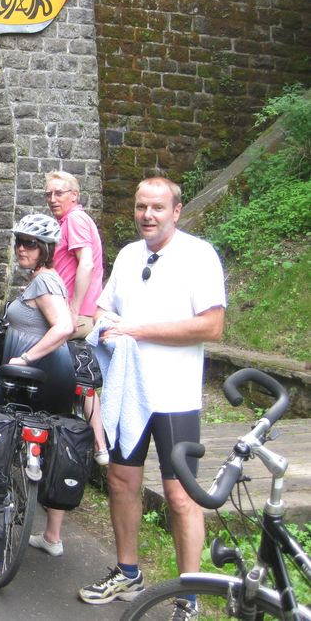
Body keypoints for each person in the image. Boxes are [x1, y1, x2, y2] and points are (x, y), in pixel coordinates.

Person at [78, 177, 225, 620]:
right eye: (142, 206)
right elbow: (102, 310)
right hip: (128, 393)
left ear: (176, 211)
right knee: (122, 481)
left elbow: (211, 326)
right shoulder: (127, 255)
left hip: (175, 398)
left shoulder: (199, 255)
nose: (148, 215)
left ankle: (189, 596)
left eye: (158, 208)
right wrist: (108, 325)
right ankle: (128, 571)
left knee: (181, 496)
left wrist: (137, 329)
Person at [0, 213, 76, 557]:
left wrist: (26, 357)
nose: (22, 248)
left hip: (34, 378)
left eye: (30, 244)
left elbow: (65, 326)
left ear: (46, 249)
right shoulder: (45, 279)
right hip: (54, 378)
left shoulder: (45, 282)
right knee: (52, 450)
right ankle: (52, 536)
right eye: (19, 241)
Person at [43, 170, 109, 466]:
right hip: (78, 312)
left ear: (75, 195)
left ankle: (39, 433)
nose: (53, 199)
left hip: (76, 315)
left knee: (30, 354)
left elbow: (87, 264)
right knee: (80, 377)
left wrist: (73, 309)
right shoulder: (69, 221)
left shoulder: (75, 220)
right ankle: (98, 446)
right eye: (49, 194)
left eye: (59, 193)